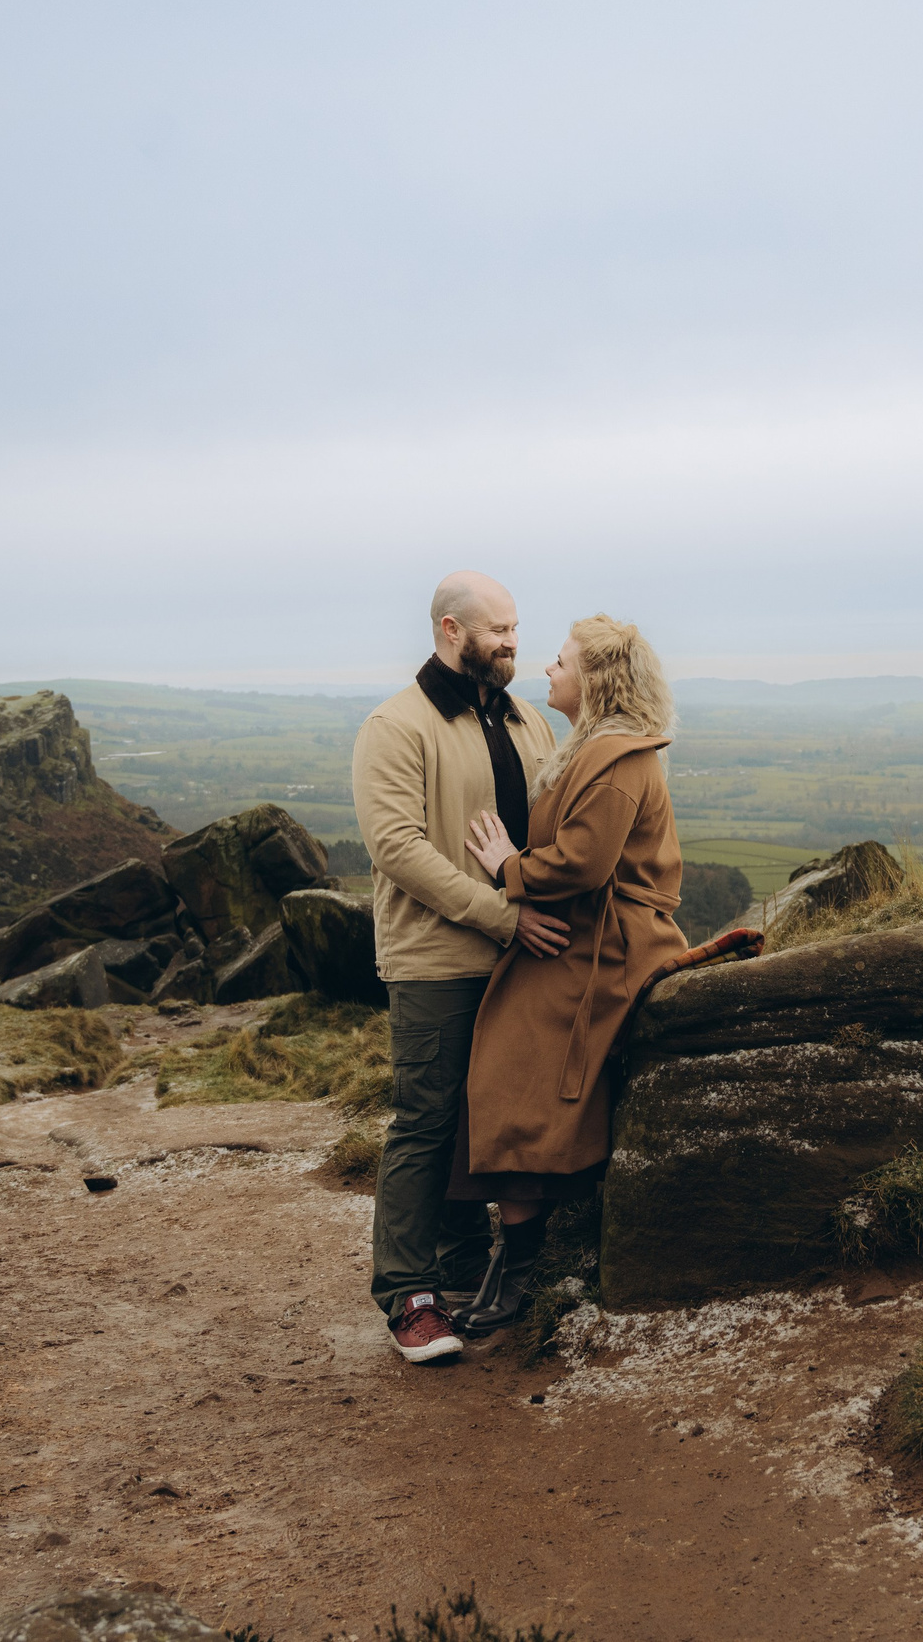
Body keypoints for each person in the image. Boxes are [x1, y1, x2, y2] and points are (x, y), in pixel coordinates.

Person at [352, 571, 571, 1365]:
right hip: (437, 959)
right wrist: (501, 916)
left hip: (524, 956)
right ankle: (407, 1295)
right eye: (498, 631)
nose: (514, 643)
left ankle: (468, 1269)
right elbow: (398, 849)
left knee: (495, 1119)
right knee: (427, 1120)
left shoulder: (521, 720)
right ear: (451, 630)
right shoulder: (396, 726)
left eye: (516, 628)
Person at [453, 614, 687, 1334]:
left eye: (560, 662)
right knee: (507, 1054)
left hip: (616, 942)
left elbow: (586, 862)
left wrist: (508, 868)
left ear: (596, 680)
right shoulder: (592, 748)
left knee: (515, 1055)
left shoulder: (617, 756)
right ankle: (515, 1249)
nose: (546, 672)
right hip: (585, 931)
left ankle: (517, 1262)